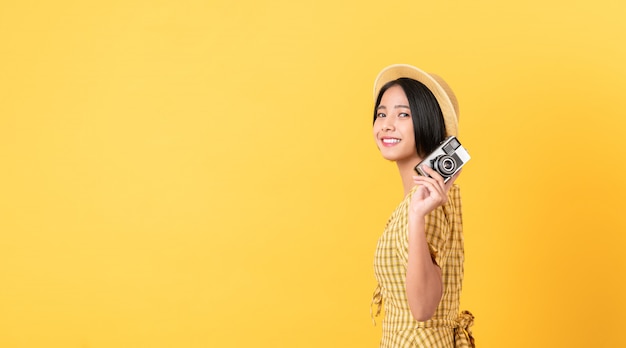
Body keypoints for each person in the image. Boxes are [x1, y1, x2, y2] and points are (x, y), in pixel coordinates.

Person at [369, 64, 475, 348]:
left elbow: (423, 308)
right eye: (382, 113)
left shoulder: (427, 206)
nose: (386, 124)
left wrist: (417, 217)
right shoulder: (417, 202)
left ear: (428, 122)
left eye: (403, 114)